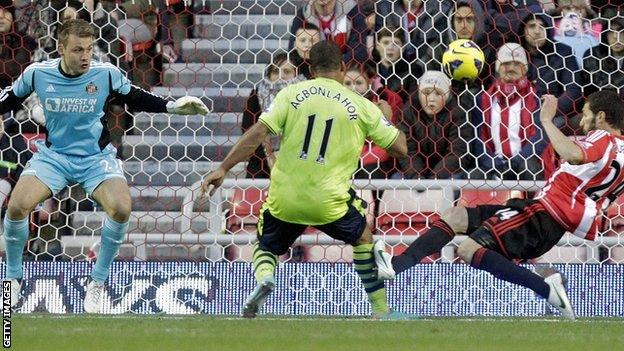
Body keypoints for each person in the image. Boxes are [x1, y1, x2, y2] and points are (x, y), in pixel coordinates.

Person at [0, 19, 209, 313]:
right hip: (54, 157)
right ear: (60, 49)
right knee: (16, 207)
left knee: (121, 208)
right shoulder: (37, 74)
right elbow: (8, 100)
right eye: (77, 50)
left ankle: (96, 283)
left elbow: (135, 96)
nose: (86, 56)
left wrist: (171, 106)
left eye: (88, 49)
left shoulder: (105, 74)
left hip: (95, 159)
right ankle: (13, 280)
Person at [201, 41, 409, 319]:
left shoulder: (290, 94)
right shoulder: (361, 105)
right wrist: (387, 118)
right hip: (330, 201)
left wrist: (224, 168)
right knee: (362, 237)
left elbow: (257, 134)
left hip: (286, 197)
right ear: (343, 67)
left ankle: (265, 277)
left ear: (310, 70)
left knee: (265, 245)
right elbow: (401, 149)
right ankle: (381, 310)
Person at [391, 90, 624, 320]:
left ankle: (546, 289)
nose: (582, 122)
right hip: (542, 216)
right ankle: (397, 266)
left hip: (542, 216)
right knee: (456, 216)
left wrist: (546, 121)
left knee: (467, 250)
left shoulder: (603, 138)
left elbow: (572, 153)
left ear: (601, 117)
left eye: (585, 114)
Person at [472, 43, 550, 180]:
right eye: (506, 63)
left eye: (517, 64)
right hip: (493, 166)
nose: (511, 68)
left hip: (523, 164)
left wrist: (515, 163)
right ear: (498, 67)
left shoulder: (536, 98)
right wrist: (494, 164)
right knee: (467, 179)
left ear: (525, 69)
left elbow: (540, 137)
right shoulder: (483, 100)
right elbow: (479, 140)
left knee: (531, 169)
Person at [242, 52, 305, 178]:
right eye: (275, 71)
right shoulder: (257, 93)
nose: (280, 76)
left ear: (296, 74)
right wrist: (270, 157)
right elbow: (248, 128)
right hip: (262, 164)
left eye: (286, 72)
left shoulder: (306, 93)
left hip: (300, 164)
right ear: (269, 74)